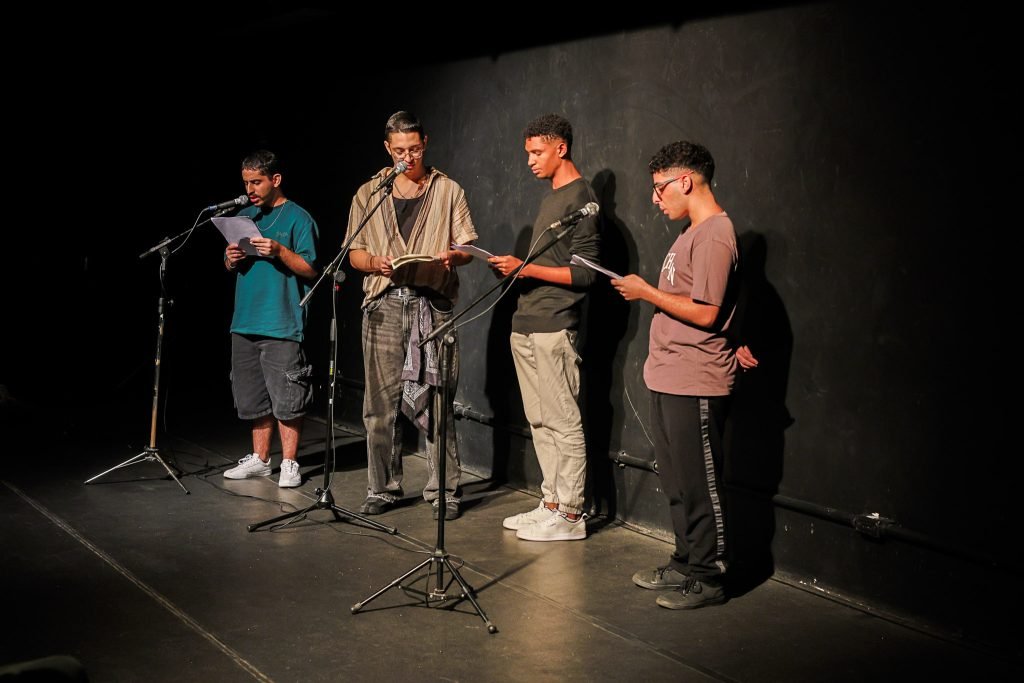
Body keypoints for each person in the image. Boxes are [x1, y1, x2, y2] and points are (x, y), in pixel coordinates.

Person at [612, 140, 756, 609]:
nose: (655, 198)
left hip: (696, 378)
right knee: (677, 483)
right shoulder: (692, 232)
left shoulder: (714, 233)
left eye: (660, 188)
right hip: (669, 376)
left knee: (699, 485)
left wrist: (646, 292)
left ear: (686, 181)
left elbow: (708, 312)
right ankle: (685, 561)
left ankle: (710, 577)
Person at [345, 111, 478, 521]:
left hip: (431, 305)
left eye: (415, 148)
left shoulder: (448, 190)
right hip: (383, 305)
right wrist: (376, 263)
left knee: (438, 400)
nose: (408, 157)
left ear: (426, 143)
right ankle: (382, 488)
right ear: (388, 148)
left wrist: (452, 256)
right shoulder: (369, 193)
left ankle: (444, 490)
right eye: (400, 150)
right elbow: (354, 254)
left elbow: (467, 247)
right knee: (379, 405)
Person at [488, 114, 600, 542]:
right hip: (527, 322)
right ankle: (551, 502)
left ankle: (571, 514)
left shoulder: (581, 198)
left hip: (555, 324)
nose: (530, 161)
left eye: (537, 152)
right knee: (539, 420)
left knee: (562, 419)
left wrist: (526, 268)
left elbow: (586, 274)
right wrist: (516, 271)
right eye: (528, 153)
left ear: (561, 148)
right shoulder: (552, 197)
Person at [222, 149, 319, 488]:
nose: (250, 189)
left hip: (281, 322)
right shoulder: (244, 216)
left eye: (257, 182)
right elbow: (230, 264)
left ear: (275, 179)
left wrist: (279, 251)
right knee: (252, 397)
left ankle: (289, 462)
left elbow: (311, 269)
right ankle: (261, 459)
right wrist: (230, 258)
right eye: (246, 182)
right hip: (245, 321)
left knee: (288, 397)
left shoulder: (298, 218)